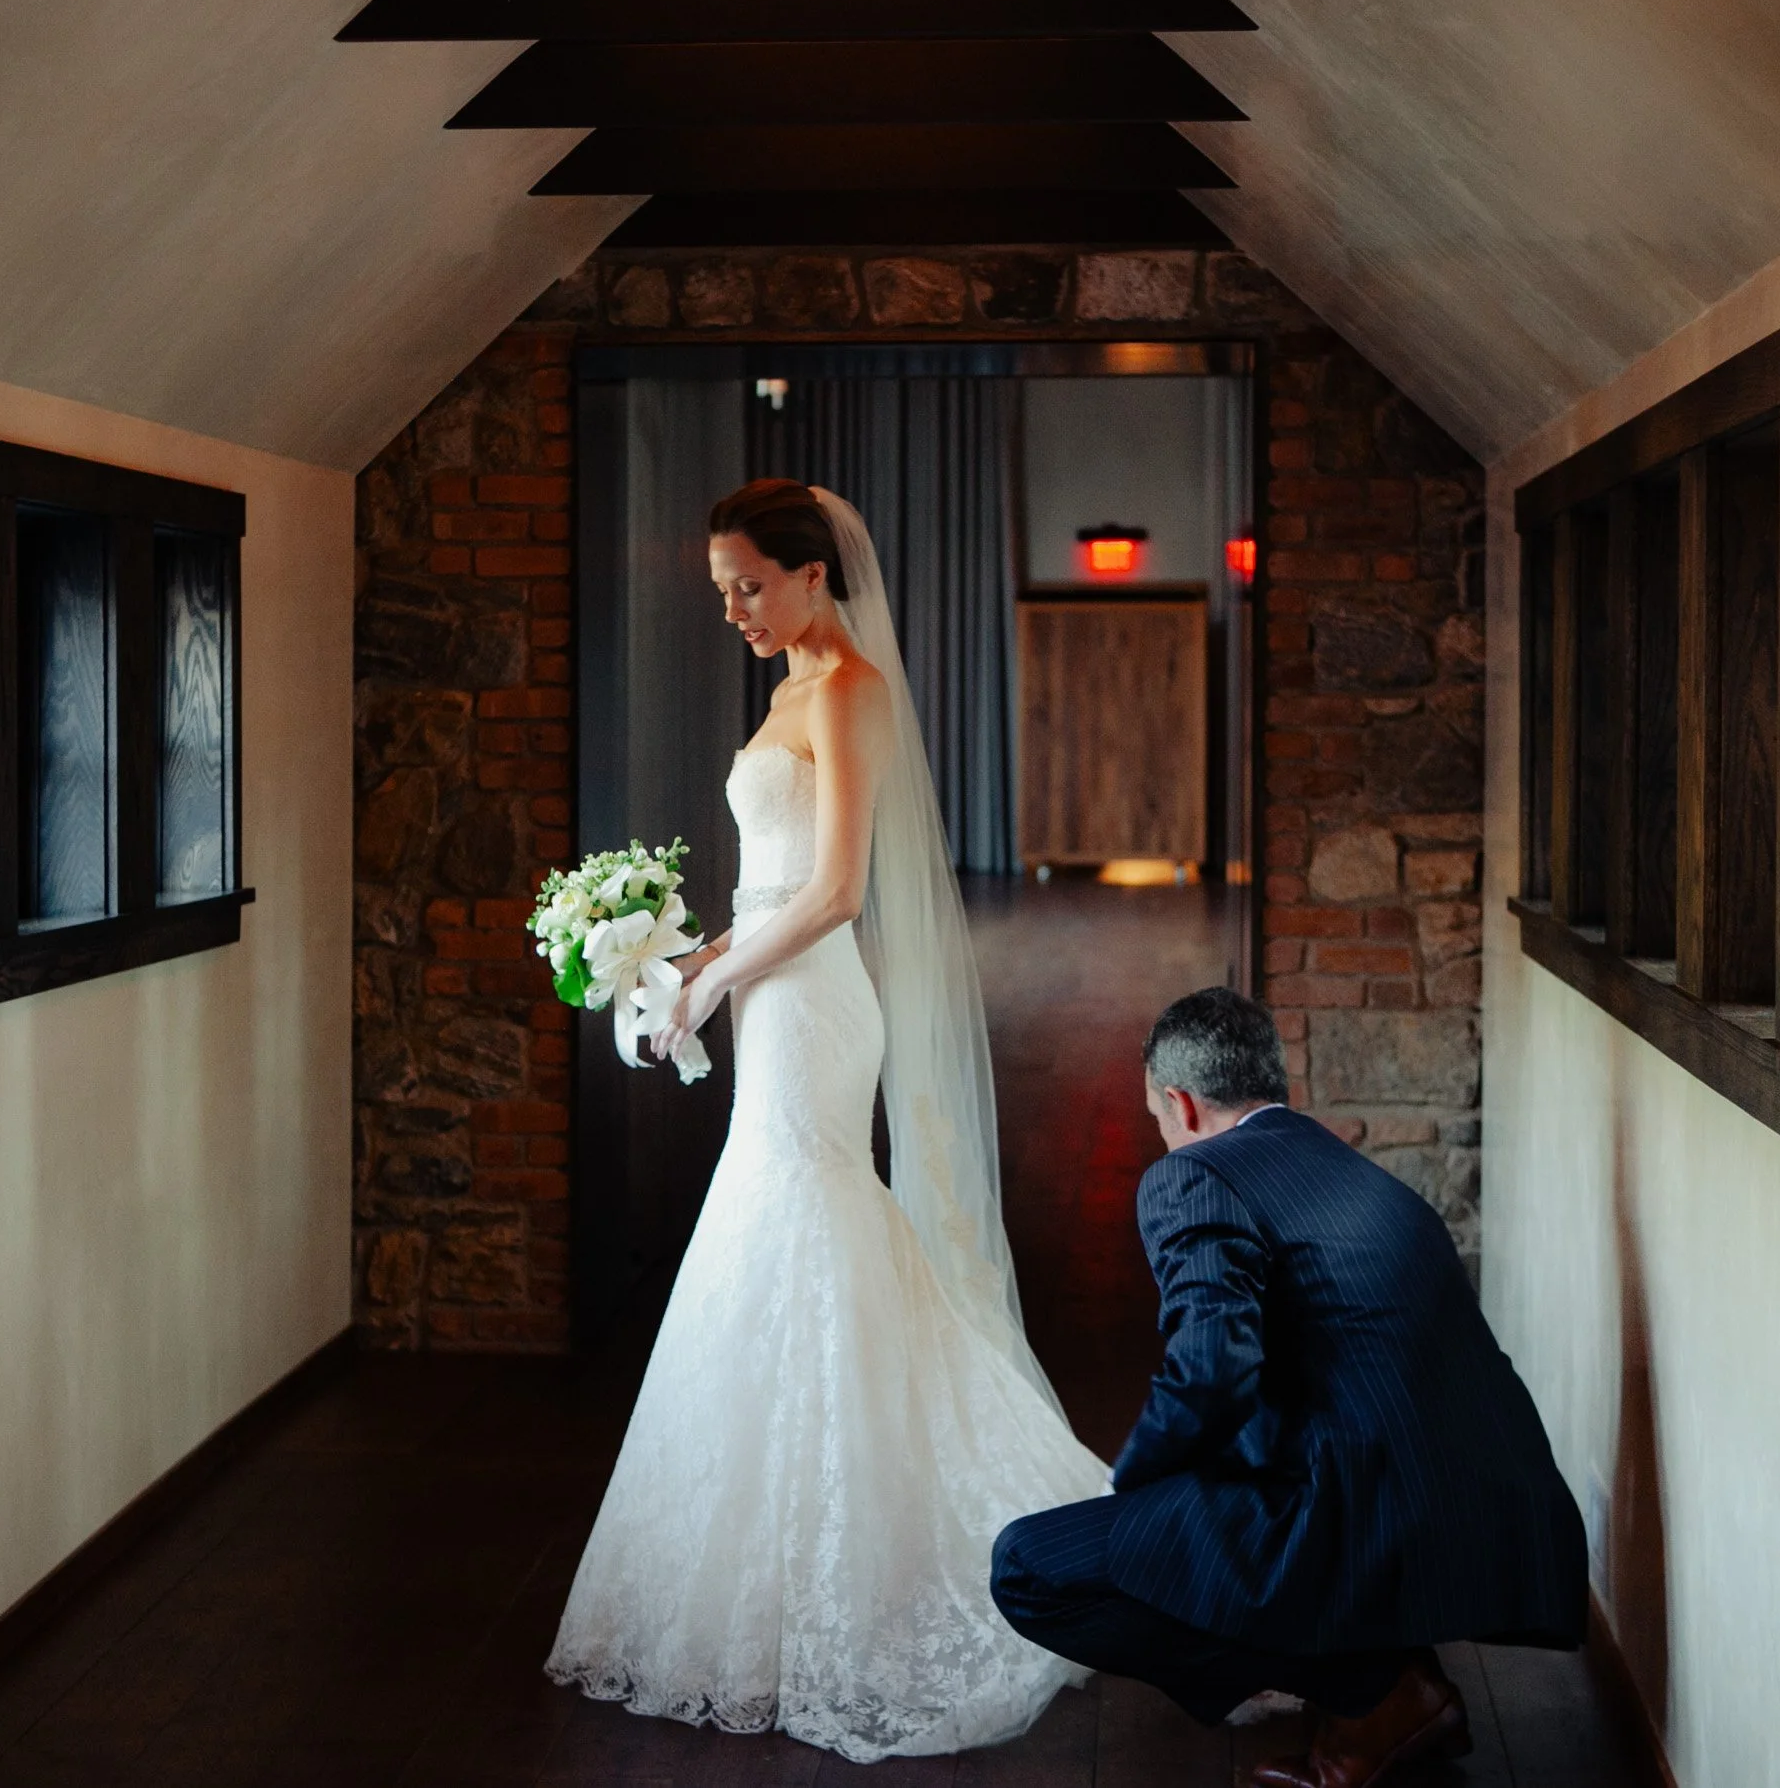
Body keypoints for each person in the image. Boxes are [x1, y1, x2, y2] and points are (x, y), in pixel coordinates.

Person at [544, 480, 1107, 1761]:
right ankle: (783, 1535)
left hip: (816, 1007)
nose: (732, 608)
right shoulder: (787, 684)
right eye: (720, 589)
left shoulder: (848, 687)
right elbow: (772, 882)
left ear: (812, 574)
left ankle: (875, 1528)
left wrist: (714, 979)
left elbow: (841, 888)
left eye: (748, 583)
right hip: (768, 995)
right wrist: (692, 967)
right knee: (777, 1223)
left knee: (799, 1209)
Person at [989, 988, 1589, 1788]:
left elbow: (1213, 1366)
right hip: (1497, 1522)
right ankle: (1380, 1661)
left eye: (1156, 1120)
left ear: (1181, 1104)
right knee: (1228, 1495)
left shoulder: (1193, 1174)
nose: (1163, 1138)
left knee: (1030, 1566)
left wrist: (1132, 1490)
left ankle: (1378, 1690)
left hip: (1366, 1509)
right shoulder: (1353, 1170)